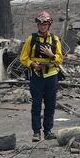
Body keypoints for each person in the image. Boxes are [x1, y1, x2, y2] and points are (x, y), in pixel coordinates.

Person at [20, 11, 63, 142]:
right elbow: (23, 58)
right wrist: (32, 64)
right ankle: (36, 132)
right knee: (36, 105)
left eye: (45, 24)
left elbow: (60, 59)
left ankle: (48, 131)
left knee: (50, 105)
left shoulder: (55, 40)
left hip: (51, 76)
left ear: (49, 25)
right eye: (40, 24)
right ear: (37, 25)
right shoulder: (31, 39)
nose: (43, 26)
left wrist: (51, 55)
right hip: (37, 77)